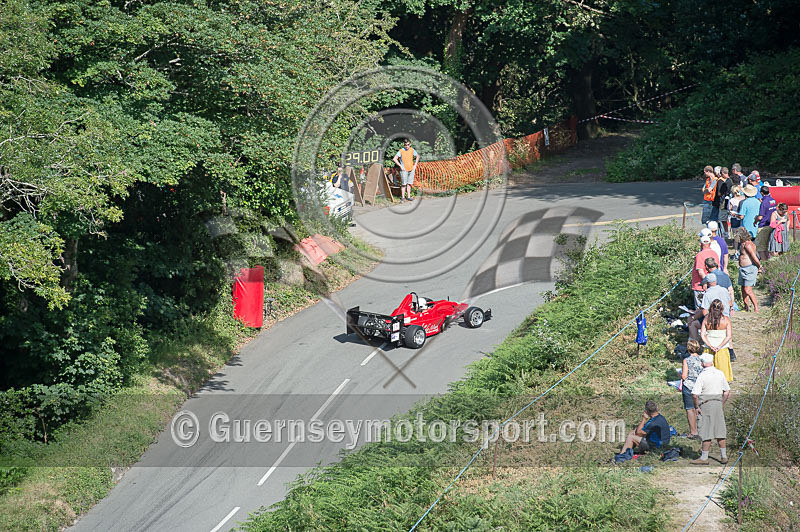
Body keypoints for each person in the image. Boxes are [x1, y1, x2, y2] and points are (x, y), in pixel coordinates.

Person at [690, 353, 731, 465]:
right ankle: (724, 456)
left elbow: (694, 394)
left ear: (702, 364)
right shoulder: (720, 373)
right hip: (718, 403)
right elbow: (727, 391)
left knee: (706, 430)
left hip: (706, 404)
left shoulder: (702, 376)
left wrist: (696, 406)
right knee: (720, 430)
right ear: (712, 362)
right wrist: (721, 402)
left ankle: (704, 457)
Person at [689, 273, 731, 340]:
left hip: (715, 320)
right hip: (726, 318)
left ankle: (694, 345)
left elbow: (704, 312)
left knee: (693, 324)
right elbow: (730, 303)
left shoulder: (708, 294)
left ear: (707, 283)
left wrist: (694, 317)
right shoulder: (724, 290)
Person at [700, 299, 733, 382]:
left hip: (708, 348)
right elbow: (728, 336)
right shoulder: (726, 320)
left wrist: (710, 345)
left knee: (707, 372)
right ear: (722, 308)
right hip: (722, 349)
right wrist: (719, 346)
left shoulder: (706, 319)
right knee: (722, 370)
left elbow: (703, 335)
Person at [735, 227, 762, 312]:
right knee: (743, 288)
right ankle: (746, 306)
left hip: (749, 269)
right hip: (743, 268)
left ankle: (756, 308)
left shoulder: (748, 245)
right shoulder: (743, 244)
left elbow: (754, 257)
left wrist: (759, 266)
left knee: (748, 289)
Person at [681, 339, 704, 440]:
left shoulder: (687, 360)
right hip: (700, 386)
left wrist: (680, 375)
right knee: (699, 408)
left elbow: (684, 376)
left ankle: (693, 432)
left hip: (689, 386)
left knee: (690, 409)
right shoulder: (702, 359)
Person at [691, 235, 718, 310]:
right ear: (709, 244)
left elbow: (700, 271)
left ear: (701, 244)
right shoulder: (714, 254)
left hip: (701, 286)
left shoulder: (700, 255)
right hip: (713, 285)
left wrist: (705, 282)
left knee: (701, 309)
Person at [392, 139, 419, 203]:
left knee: (409, 184)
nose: (407, 146)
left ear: (410, 144)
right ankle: (403, 198)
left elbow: (417, 156)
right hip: (404, 170)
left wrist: (415, 165)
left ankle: (408, 197)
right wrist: (400, 166)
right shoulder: (401, 151)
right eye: (405, 145)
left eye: (408, 145)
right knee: (404, 184)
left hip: (411, 169)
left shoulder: (412, 150)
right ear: (404, 145)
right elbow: (394, 159)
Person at [755, 184, 777, 260]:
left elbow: (761, 217)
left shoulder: (764, 203)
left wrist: (755, 220)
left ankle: (764, 262)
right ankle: (767, 259)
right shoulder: (773, 200)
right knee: (767, 245)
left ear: (761, 193)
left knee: (760, 246)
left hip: (763, 225)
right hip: (771, 224)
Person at [715, 168, 733, 238]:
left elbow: (719, 193)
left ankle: (725, 233)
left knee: (722, 219)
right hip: (730, 200)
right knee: (729, 217)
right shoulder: (730, 181)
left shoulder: (720, 181)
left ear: (722, 173)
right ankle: (727, 232)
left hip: (723, 201)